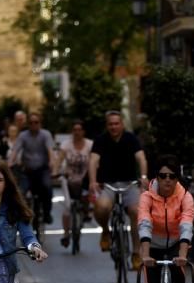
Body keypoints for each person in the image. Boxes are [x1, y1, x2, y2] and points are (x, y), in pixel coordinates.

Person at [137, 155, 194, 283]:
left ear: (177, 178)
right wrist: (144, 254)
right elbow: (144, 222)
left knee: (178, 266)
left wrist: (183, 255)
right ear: (157, 178)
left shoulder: (185, 196)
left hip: (175, 244)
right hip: (152, 245)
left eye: (172, 176)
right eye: (163, 176)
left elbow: (187, 223)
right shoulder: (147, 197)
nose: (167, 180)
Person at [88, 110, 148, 270]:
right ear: (107, 125)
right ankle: (106, 230)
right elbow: (93, 160)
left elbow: (141, 158)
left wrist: (143, 176)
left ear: (122, 124)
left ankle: (136, 253)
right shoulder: (100, 140)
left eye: (116, 123)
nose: (114, 127)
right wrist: (93, 181)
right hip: (108, 184)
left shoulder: (131, 138)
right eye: (110, 124)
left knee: (136, 212)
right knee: (101, 207)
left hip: (129, 184)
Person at [9, 112, 56, 225]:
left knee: (47, 187)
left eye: (36, 122)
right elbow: (15, 151)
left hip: (42, 169)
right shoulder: (23, 135)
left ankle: (46, 213)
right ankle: (22, 214)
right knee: (21, 191)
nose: (33, 125)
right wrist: (9, 164)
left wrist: (52, 164)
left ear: (40, 123)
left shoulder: (46, 134)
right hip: (27, 171)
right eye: (31, 123)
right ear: (28, 124)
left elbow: (50, 151)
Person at [56, 119, 93, 248]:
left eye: (79, 130)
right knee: (67, 208)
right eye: (74, 130)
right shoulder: (66, 144)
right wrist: (55, 171)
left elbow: (95, 162)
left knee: (87, 193)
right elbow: (59, 159)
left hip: (84, 180)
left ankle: (86, 211)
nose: (77, 132)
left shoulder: (90, 145)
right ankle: (66, 235)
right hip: (69, 180)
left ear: (83, 131)